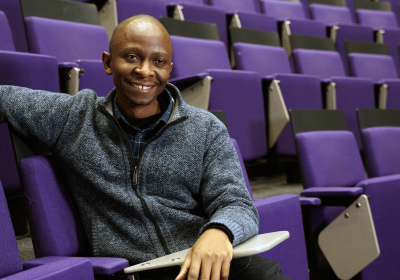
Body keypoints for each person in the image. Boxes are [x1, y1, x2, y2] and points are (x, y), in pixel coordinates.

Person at [0, 14, 290, 280]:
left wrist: (219, 231)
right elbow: (6, 98)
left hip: (211, 262)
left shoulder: (205, 128)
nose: (145, 71)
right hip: (144, 272)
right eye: (131, 57)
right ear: (107, 62)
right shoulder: (73, 118)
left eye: (159, 61)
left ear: (170, 68)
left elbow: (237, 203)